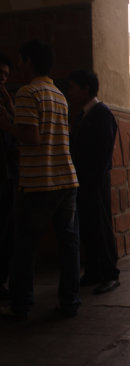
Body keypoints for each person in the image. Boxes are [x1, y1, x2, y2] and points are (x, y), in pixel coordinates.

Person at [0, 40, 80, 319]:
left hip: (38, 182)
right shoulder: (58, 94)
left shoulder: (28, 92)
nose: (18, 67)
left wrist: (6, 124)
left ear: (29, 62)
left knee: (24, 247)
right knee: (69, 245)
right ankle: (70, 302)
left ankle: (21, 304)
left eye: (21, 61)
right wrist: (13, 109)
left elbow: (32, 136)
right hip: (66, 179)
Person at [68, 69, 120, 295]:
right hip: (83, 180)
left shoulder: (102, 113)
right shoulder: (82, 115)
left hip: (96, 180)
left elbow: (103, 151)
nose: (69, 92)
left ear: (85, 89)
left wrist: (93, 178)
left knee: (101, 225)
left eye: (72, 87)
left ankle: (110, 274)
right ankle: (93, 271)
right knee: (88, 226)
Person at [0, 53, 17, 300]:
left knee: (6, 229)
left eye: (5, 75)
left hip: (6, 173)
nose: (2, 80)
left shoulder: (6, 101)